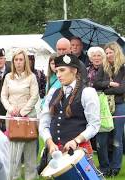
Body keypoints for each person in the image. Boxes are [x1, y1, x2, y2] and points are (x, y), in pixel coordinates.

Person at [39, 54, 100, 160]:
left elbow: (94, 125)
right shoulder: (53, 92)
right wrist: (49, 142)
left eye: (62, 70)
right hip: (55, 152)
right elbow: (44, 122)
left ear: (74, 70)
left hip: (79, 152)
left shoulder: (87, 92)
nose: (58, 75)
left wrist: (76, 140)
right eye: (57, 71)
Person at [1, 49, 39, 180]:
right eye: (16, 60)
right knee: (13, 151)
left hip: (28, 117)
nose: (18, 62)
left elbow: (35, 96)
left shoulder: (31, 77)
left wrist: (22, 112)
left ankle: (31, 177)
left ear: (25, 61)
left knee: (29, 151)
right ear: (12, 62)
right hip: (11, 117)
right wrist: (11, 109)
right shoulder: (8, 77)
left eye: (21, 60)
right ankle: (13, 176)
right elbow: (3, 96)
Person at [93, 42, 125, 177]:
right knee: (102, 137)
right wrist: (109, 84)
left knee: (117, 137)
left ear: (116, 52)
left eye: (110, 52)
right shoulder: (103, 67)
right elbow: (96, 84)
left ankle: (115, 167)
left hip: (119, 104)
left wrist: (105, 89)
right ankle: (104, 167)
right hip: (104, 106)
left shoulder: (123, 67)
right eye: (106, 53)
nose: (108, 55)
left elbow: (122, 89)